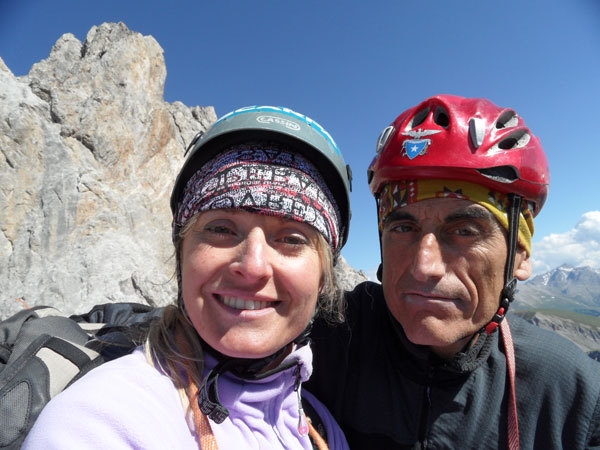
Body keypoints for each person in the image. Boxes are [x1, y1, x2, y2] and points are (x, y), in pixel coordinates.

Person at [22, 106, 352, 449]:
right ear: (183, 255)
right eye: (221, 229)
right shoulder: (101, 421)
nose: (253, 266)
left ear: (324, 278)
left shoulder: (320, 427)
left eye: (290, 238)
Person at [306, 94, 600, 449]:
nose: (423, 265)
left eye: (464, 231)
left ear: (520, 254)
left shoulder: (571, 394)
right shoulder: (324, 337)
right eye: (402, 228)